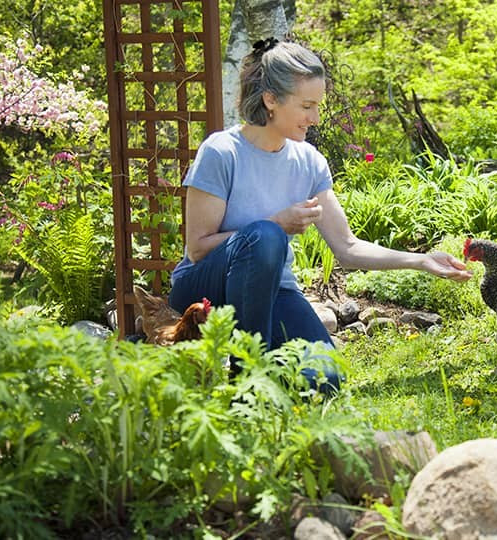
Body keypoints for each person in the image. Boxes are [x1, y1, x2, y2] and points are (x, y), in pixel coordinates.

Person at [168, 39, 472, 391]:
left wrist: (421, 261)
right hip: (204, 286)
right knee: (266, 237)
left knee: (325, 380)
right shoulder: (222, 152)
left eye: (318, 106)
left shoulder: (308, 160)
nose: (315, 118)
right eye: (307, 106)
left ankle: (269, 373)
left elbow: (347, 247)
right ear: (271, 100)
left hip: (273, 290)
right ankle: (247, 384)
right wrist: (276, 224)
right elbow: (198, 248)